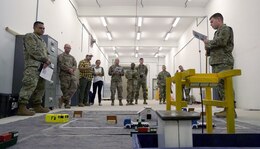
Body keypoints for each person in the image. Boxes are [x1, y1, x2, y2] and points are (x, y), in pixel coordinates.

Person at [203, 13, 235, 118]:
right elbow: (215, 46)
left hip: (224, 62)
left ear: (218, 20)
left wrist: (209, 43)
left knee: (226, 85)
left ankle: (231, 110)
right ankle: (226, 108)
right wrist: (208, 49)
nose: (211, 24)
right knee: (220, 86)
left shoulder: (226, 29)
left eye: (212, 21)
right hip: (217, 62)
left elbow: (222, 42)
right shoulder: (217, 33)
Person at [17, 21, 51, 116]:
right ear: (34, 28)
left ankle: (37, 105)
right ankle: (22, 107)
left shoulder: (42, 41)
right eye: (40, 28)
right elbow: (32, 50)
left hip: (43, 67)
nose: (42, 30)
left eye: (43, 28)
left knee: (41, 86)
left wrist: (47, 61)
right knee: (29, 84)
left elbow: (47, 54)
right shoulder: (30, 36)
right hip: (33, 66)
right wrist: (45, 59)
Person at [57, 44, 77, 109]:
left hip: (71, 75)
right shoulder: (61, 56)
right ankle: (67, 103)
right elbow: (60, 64)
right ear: (64, 48)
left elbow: (75, 65)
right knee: (65, 89)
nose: (69, 49)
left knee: (74, 87)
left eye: (70, 48)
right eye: (67, 48)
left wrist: (72, 69)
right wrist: (68, 69)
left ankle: (63, 98)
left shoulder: (72, 57)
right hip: (64, 75)